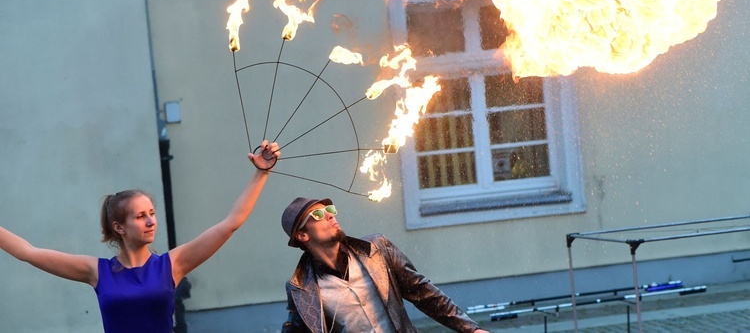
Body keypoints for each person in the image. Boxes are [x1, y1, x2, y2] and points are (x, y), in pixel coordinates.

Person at [0, 140, 280, 333]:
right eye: (140, 216)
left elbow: (231, 223)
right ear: (119, 227)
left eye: (152, 213)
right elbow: (27, 251)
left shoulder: (172, 264)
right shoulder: (96, 271)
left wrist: (261, 173)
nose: (150, 221)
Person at [280, 196, 490, 333]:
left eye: (329, 209)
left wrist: (470, 329)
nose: (329, 215)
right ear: (302, 235)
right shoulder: (301, 289)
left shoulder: (376, 250)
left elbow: (423, 292)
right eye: (317, 215)